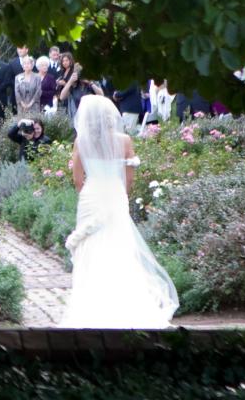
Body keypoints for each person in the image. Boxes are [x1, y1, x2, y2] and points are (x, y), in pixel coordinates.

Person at [59, 95, 178, 328]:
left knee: (91, 246)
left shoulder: (81, 141)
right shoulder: (124, 141)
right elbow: (129, 178)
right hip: (114, 194)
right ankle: (125, 298)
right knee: (120, 244)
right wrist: (120, 195)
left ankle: (90, 302)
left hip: (91, 196)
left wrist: (91, 192)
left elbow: (77, 179)